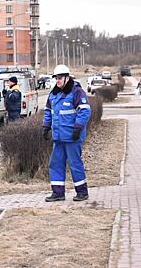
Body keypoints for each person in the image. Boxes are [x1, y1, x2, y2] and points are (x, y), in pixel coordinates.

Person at [42, 65, 91, 202]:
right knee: (55, 164)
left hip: (72, 137)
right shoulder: (54, 94)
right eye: (56, 78)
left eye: (59, 78)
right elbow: (48, 112)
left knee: (75, 165)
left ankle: (82, 192)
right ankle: (58, 193)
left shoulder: (77, 92)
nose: (57, 81)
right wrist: (46, 127)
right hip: (58, 137)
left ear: (67, 78)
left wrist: (78, 128)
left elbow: (85, 111)